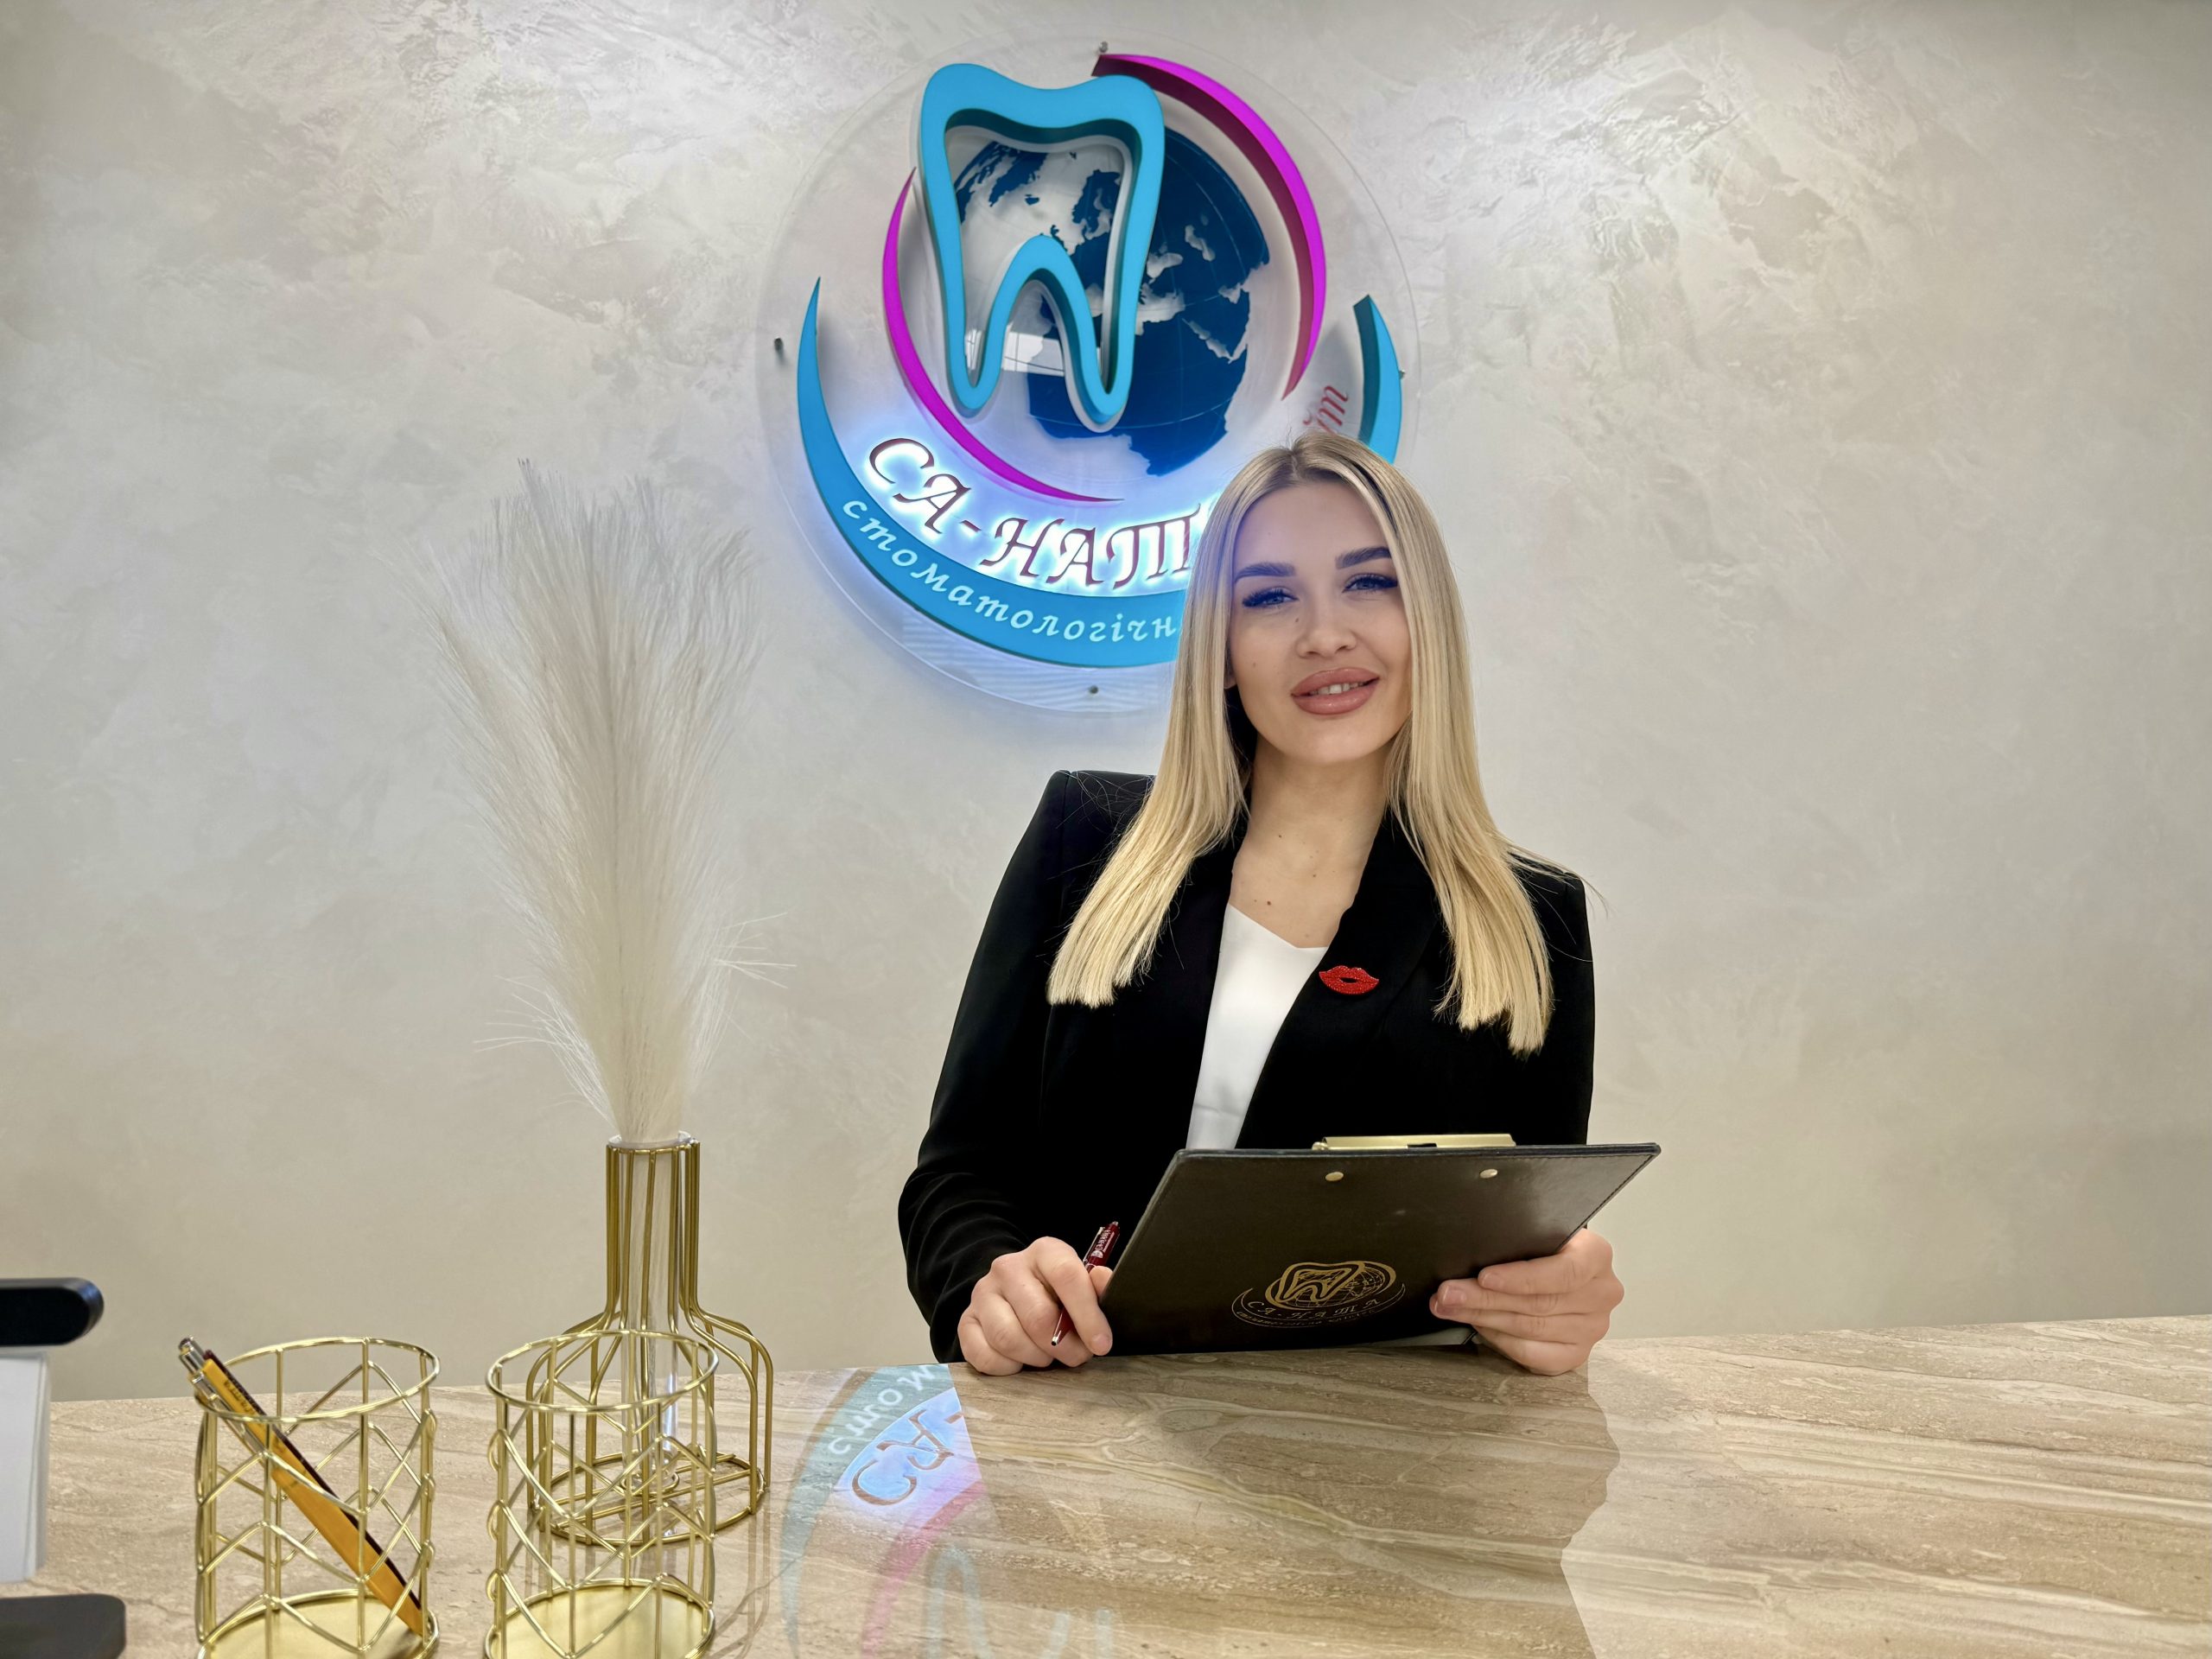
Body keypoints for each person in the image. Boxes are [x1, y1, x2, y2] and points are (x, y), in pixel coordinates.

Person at [898, 430, 1624, 1377]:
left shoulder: (1534, 921)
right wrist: (986, 1288)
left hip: (1367, 1451)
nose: (1324, 634)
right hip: (1074, 1425)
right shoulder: (1084, 840)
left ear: (1430, 626)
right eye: (1271, 597)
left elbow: (1525, 1255)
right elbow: (959, 1174)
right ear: (1223, 649)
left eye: (1369, 582)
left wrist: (1555, 1305)